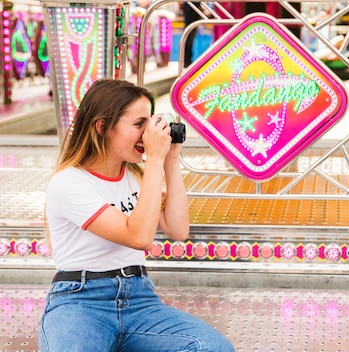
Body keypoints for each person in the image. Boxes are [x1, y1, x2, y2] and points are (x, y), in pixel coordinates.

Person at [39, 79, 234, 352]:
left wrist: (170, 161)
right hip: (81, 301)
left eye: (150, 123)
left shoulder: (136, 176)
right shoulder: (69, 183)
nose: (147, 134)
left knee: (211, 348)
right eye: (139, 124)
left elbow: (178, 230)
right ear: (103, 127)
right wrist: (153, 160)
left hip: (139, 299)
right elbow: (139, 237)